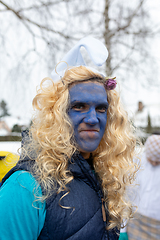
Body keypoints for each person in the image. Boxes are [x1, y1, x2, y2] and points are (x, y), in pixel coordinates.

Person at [0, 37, 139, 240]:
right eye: (79, 106)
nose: (93, 119)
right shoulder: (25, 185)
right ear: (56, 114)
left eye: (101, 108)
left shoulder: (102, 175)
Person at [120, 134, 160, 240]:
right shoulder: (136, 163)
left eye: (158, 161)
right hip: (136, 223)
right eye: (152, 160)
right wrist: (123, 229)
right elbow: (126, 195)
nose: (154, 163)